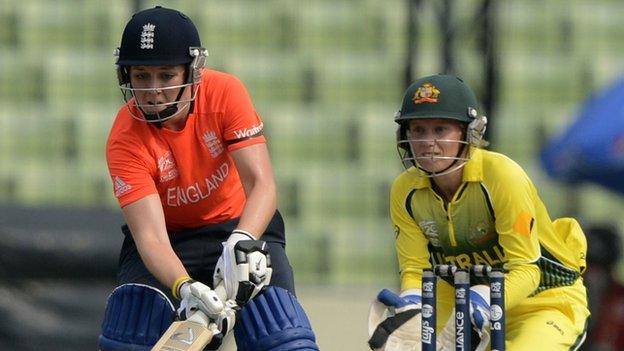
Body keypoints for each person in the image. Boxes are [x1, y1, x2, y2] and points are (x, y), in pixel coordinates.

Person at [98, 6, 318, 351]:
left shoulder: (225, 92)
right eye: (141, 76)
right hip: (171, 239)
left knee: (280, 337)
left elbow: (262, 185)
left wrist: (242, 242)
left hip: (239, 226)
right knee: (131, 333)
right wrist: (184, 286)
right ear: (126, 76)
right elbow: (151, 236)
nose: (153, 91)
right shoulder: (124, 137)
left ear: (193, 71)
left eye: (166, 76)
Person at [368, 74, 590, 350]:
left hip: (543, 301)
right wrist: (412, 304)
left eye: (440, 130)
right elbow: (416, 268)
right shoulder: (405, 190)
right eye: (418, 130)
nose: (428, 142)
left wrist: (485, 297)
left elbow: (526, 269)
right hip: (463, 304)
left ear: (469, 133)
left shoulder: (502, 176)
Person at [581, 224, 624, 351]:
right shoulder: (564, 292)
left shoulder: (620, 298)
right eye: (590, 265)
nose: (594, 274)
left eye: (602, 267)